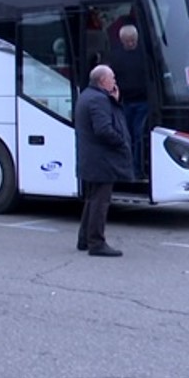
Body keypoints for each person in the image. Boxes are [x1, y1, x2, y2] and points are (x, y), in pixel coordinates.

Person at [75, 64, 133, 257]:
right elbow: (103, 129)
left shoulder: (87, 95)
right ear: (103, 81)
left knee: (92, 199)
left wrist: (114, 100)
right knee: (100, 202)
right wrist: (121, 141)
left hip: (92, 158)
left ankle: (85, 239)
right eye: (112, 78)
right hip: (101, 159)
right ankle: (96, 242)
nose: (115, 81)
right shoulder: (99, 100)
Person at [109, 24, 147, 179]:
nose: (130, 44)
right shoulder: (116, 56)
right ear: (121, 40)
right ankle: (126, 167)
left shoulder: (144, 54)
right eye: (127, 41)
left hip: (143, 101)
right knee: (126, 136)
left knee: (138, 135)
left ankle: (137, 169)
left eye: (133, 41)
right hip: (125, 101)